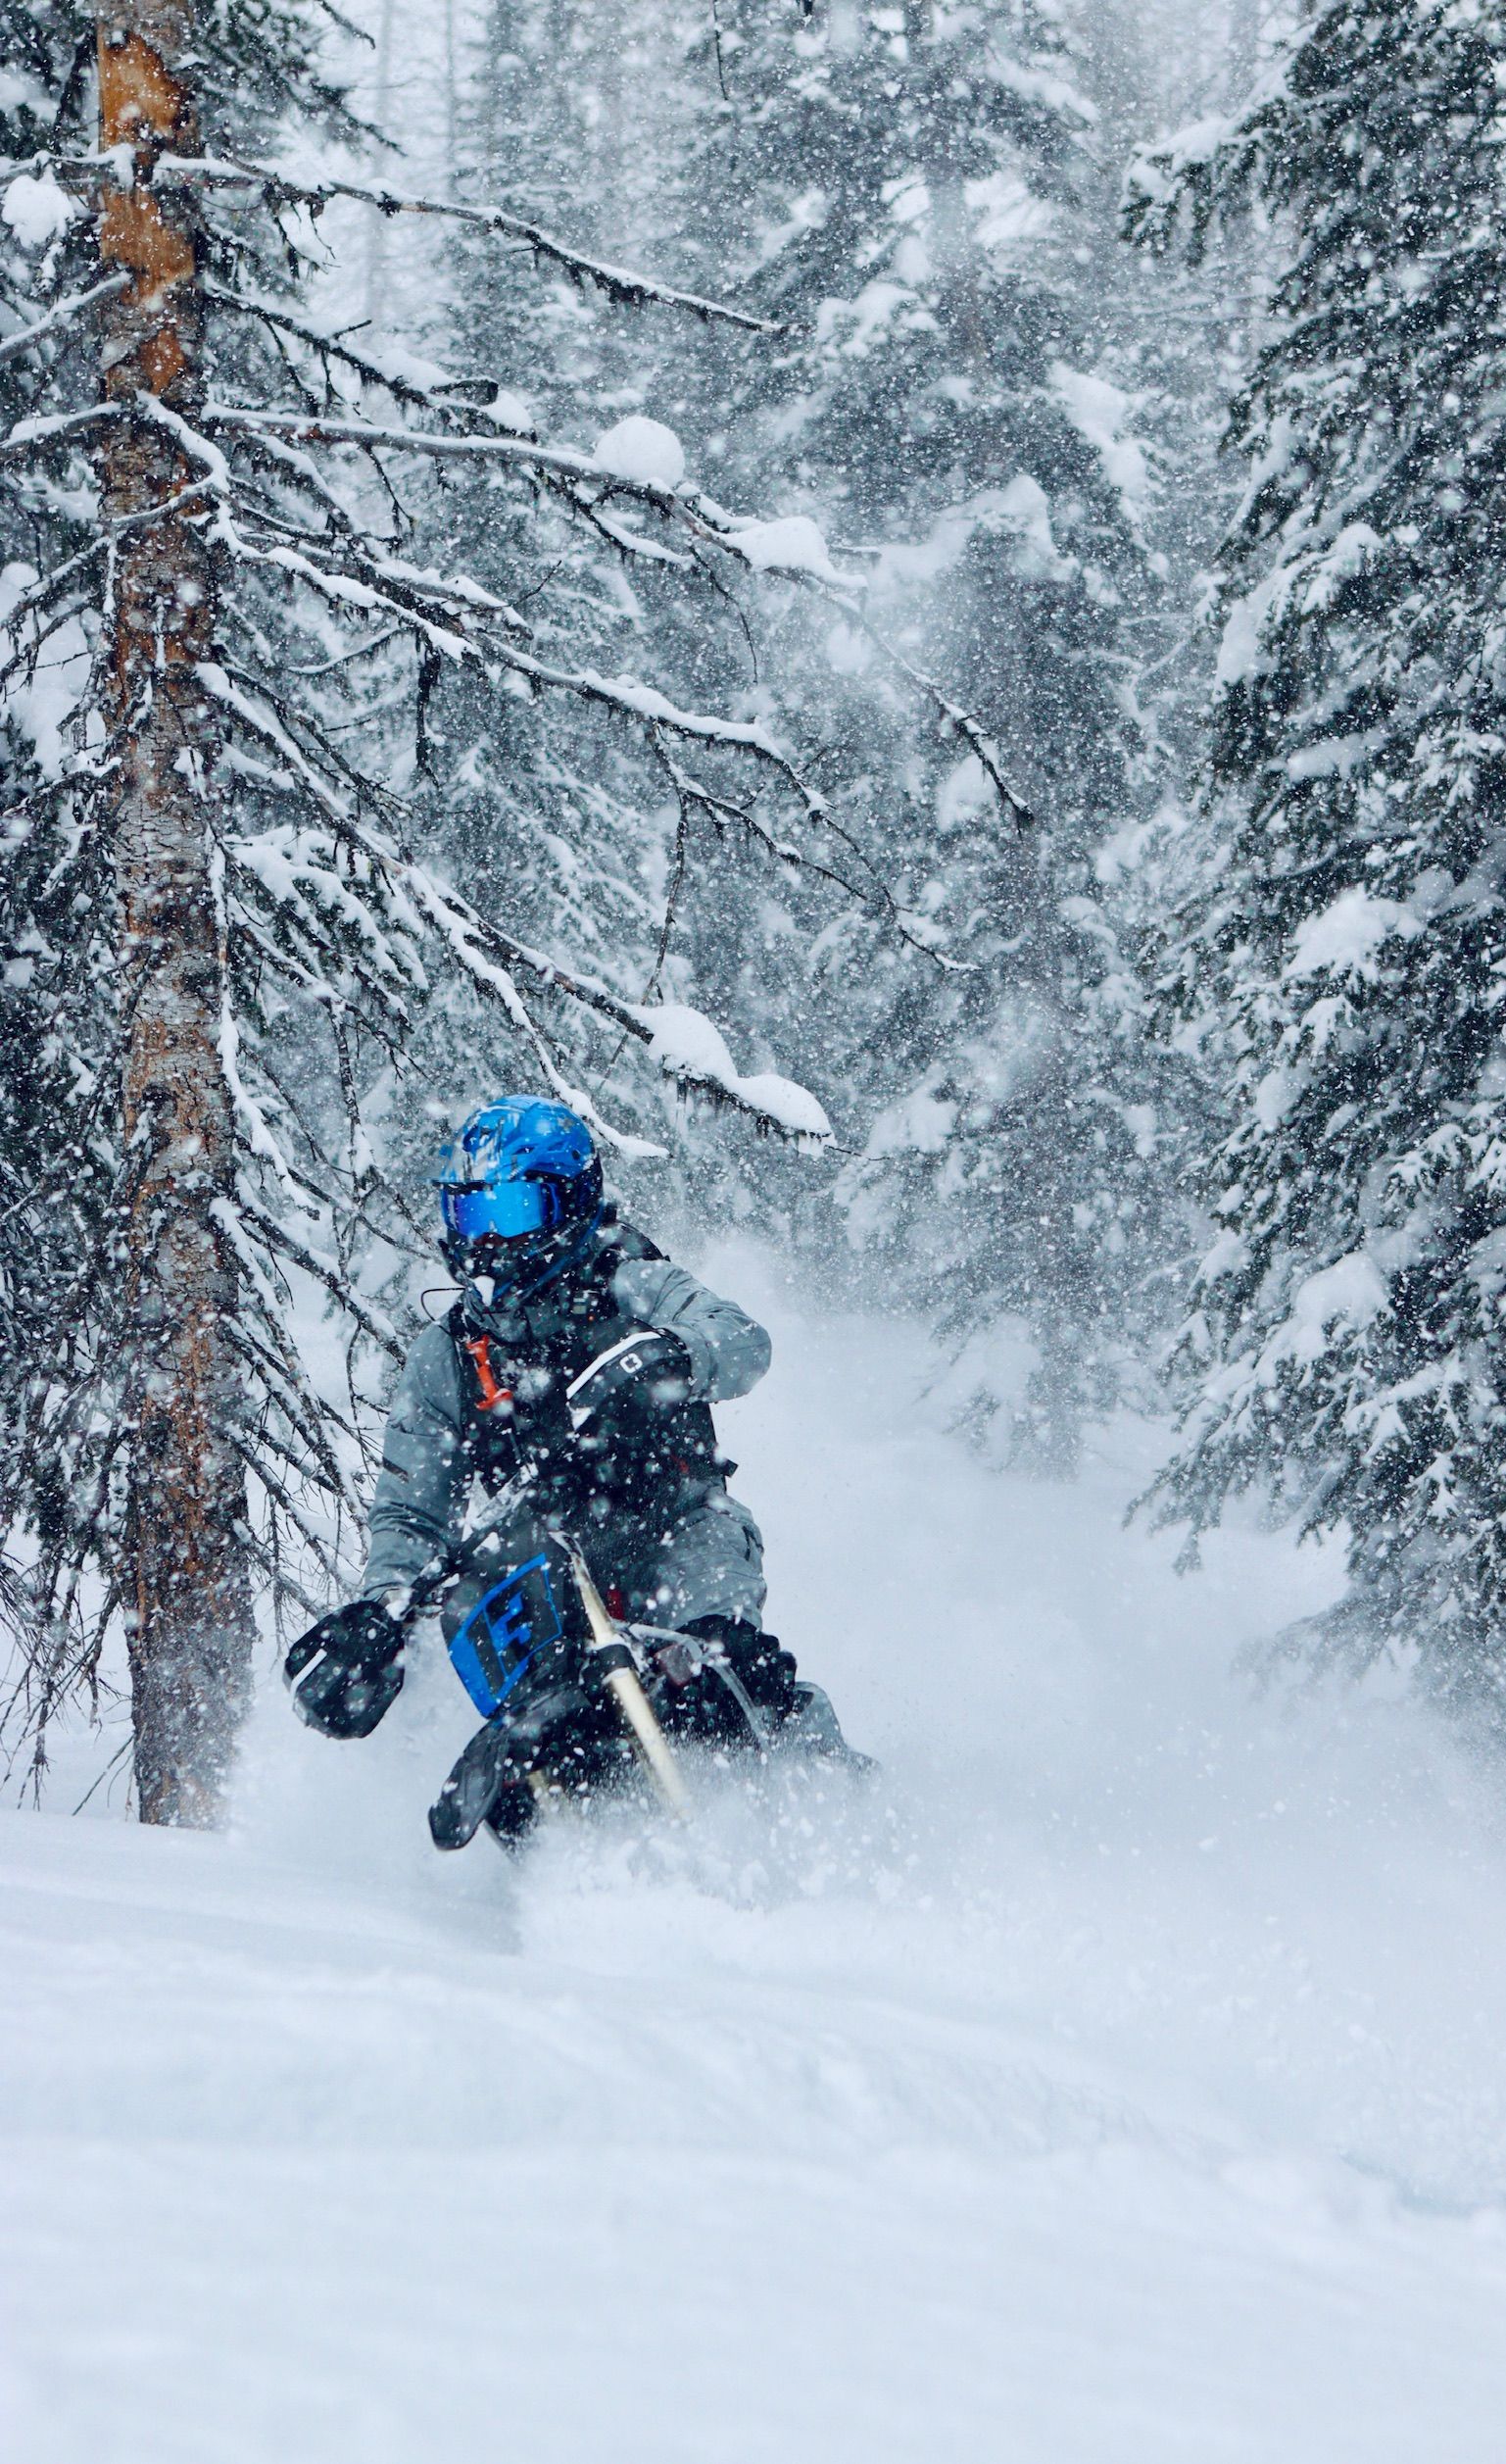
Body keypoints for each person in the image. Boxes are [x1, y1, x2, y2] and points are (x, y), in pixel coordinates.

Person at [286, 1096, 851, 1807]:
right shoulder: (449, 1357)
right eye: (472, 1215)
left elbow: (742, 1342)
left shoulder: (632, 1283)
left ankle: (828, 1801)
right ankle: (566, 1845)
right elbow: (409, 1514)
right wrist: (380, 1613)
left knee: (720, 1674)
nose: (489, 1241)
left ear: (568, 1203)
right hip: (543, 1558)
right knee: (552, 1720)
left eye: (513, 1213)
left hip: (674, 1528)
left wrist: (663, 1364)